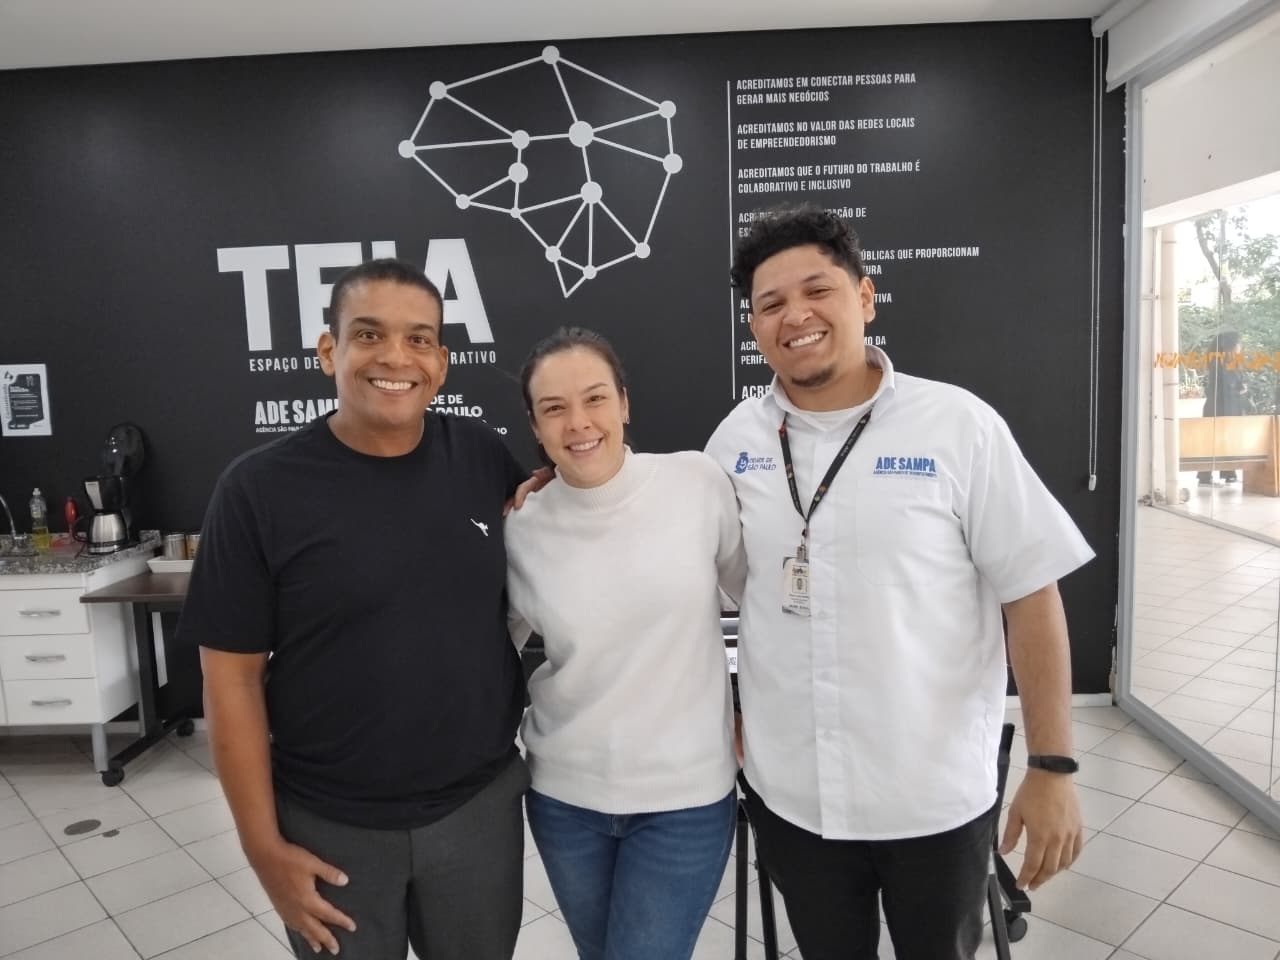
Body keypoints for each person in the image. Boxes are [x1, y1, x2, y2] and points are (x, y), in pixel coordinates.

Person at [705, 206, 1095, 960]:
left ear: (865, 296)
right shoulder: (736, 441)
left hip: (932, 797)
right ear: (754, 326)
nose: (795, 315)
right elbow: (720, 592)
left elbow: (1031, 594)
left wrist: (1052, 766)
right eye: (770, 304)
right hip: (794, 794)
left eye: (817, 290)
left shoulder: (957, 426)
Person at [179, 258, 532, 960]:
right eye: (369, 334)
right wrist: (262, 850)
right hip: (329, 824)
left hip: (478, 811)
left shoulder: (482, 457)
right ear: (328, 351)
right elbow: (230, 680)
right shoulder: (257, 490)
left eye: (419, 338)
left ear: (442, 363)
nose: (396, 357)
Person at [505, 326, 746, 960]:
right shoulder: (522, 527)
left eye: (595, 399)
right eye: (554, 408)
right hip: (563, 798)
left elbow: (765, 604)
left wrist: (758, 710)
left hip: (685, 800)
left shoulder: (697, 484)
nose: (579, 423)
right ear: (535, 426)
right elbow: (483, 650)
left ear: (624, 403)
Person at [1198, 329, 1248, 485]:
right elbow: (1221, 389)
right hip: (1219, 408)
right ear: (1230, 347)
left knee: (1227, 440)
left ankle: (1228, 472)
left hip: (1229, 408)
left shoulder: (1231, 363)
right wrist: (1239, 389)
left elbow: (1237, 384)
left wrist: (1241, 388)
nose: (1240, 347)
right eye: (1238, 344)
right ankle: (1205, 475)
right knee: (1212, 441)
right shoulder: (1218, 364)